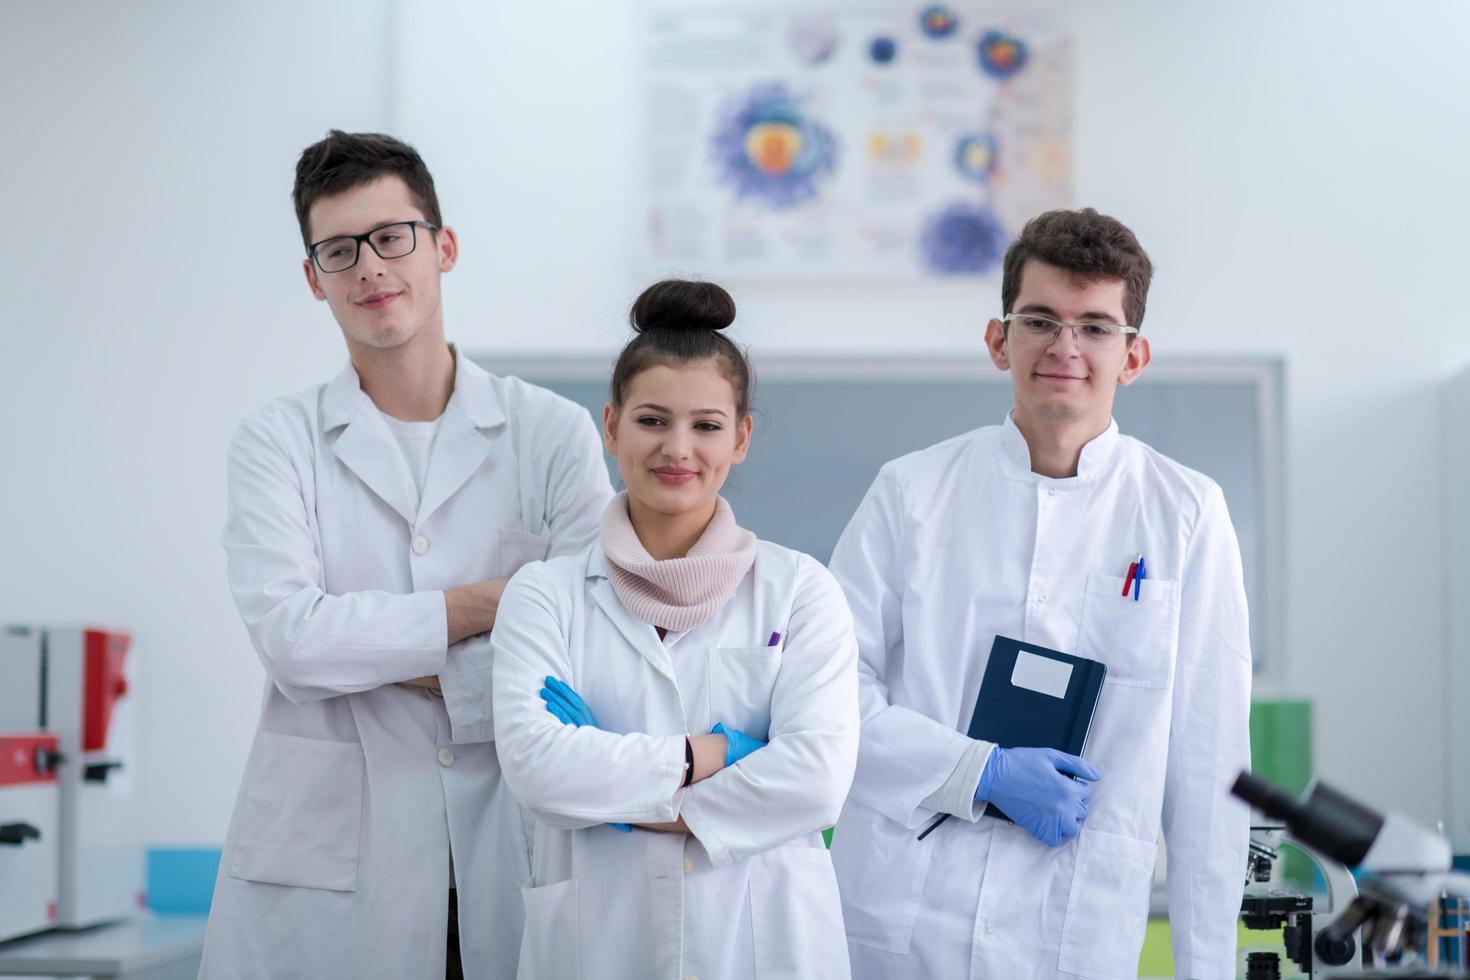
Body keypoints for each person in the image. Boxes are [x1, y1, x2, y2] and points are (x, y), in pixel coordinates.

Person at [199, 130, 613, 980]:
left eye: (392, 237)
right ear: (314, 279)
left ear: (442, 247)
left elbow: (587, 640)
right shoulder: (277, 442)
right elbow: (292, 641)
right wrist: (485, 607)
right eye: (339, 250)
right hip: (334, 862)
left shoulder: (551, 434)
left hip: (512, 838)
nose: (370, 269)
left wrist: (374, 651)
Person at [828, 208, 1251, 980]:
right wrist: (974, 770)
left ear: (1134, 356)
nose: (1065, 347)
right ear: (999, 340)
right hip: (902, 918)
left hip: (1074, 930)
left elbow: (1208, 765)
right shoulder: (912, 493)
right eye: (1040, 320)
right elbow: (825, 694)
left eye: (1095, 327)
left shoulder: (1185, 514)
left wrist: (1206, 968)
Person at [490, 280, 860, 979]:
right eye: (653, 421)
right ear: (610, 427)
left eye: (708, 426)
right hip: (600, 942)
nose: (678, 450)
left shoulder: (800, 591)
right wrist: (715, 752)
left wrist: (618, 789)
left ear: (742, 437)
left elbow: (816, 783)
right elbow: (538, 769)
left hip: (763, 945)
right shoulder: (546, 595)